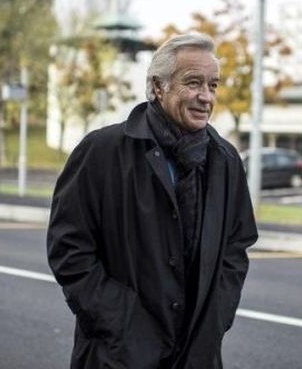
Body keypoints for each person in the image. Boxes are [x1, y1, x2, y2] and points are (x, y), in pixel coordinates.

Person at [47, 33, 258, 369]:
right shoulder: (102, 151)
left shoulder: (225, 160)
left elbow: (237, 246)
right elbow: (69, 249)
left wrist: (214, 322)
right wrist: (121, 322)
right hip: (117, 356)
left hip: (195, 354)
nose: (206, 97)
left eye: (213, 85)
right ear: (159, 87)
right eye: (193, 83)